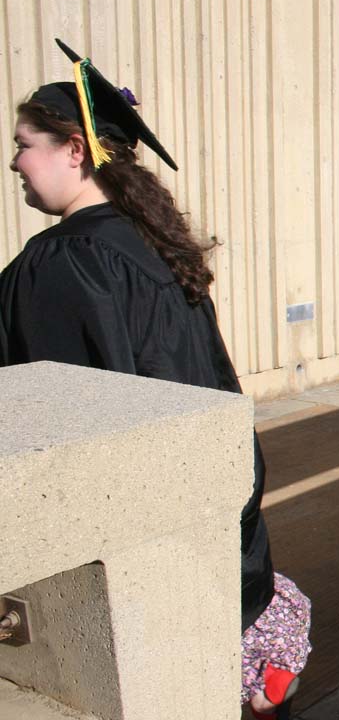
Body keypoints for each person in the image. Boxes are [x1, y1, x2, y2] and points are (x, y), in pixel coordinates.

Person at [0, 40, 309, 719]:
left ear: (74, 150)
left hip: (140, 567)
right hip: (225, 535)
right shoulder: (153, 242)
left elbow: (50, 439)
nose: (15, 163)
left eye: (24, 145)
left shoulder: (55, 268)